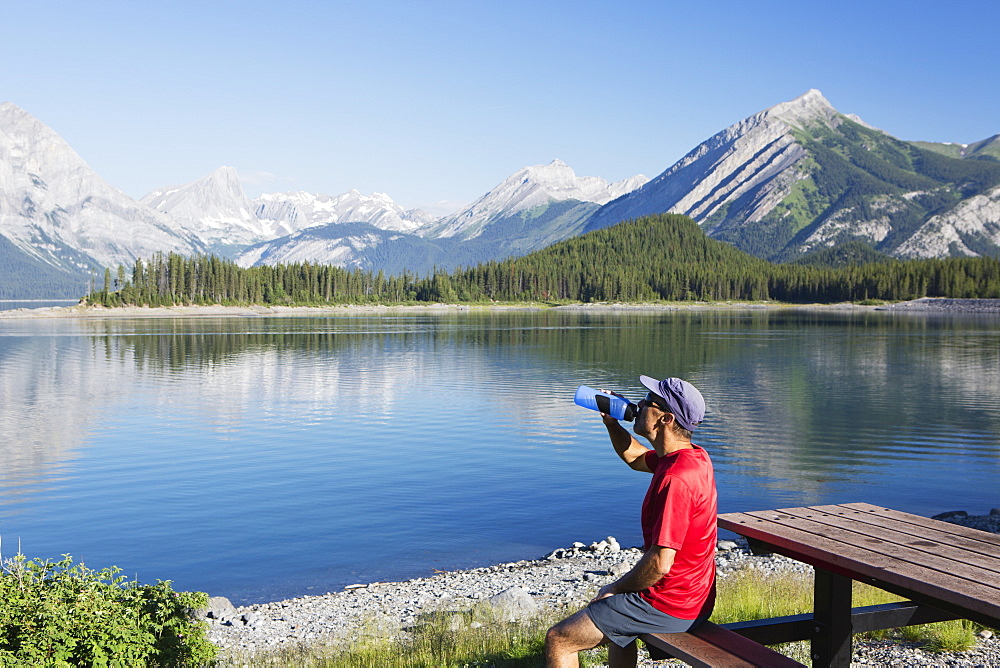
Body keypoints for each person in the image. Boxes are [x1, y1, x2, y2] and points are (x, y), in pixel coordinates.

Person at [545, 375, 718, 668]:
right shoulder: (690, 458)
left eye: (647, 401)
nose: (638, 405)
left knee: (560, 638)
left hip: (670, 604)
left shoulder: (677, 479)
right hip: (694, 596)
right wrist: (613, 424)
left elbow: (661, 563)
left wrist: (617, 588)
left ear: (665, 418)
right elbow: (636, 458)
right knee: (618, 627)